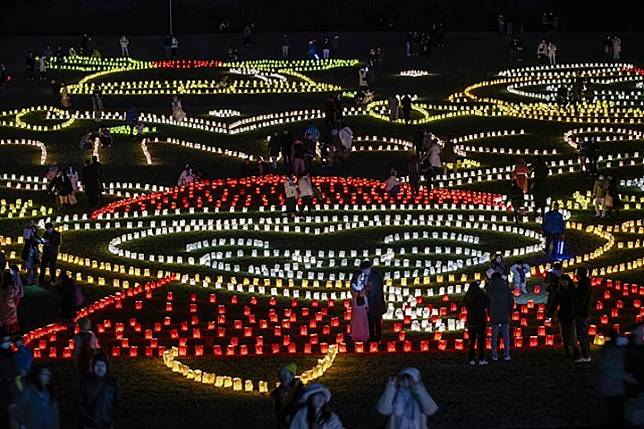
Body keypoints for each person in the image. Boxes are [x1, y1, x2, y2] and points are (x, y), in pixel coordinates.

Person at [77, 353, 121, 429]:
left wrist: (113, 421)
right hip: (89, 426)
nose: (100, 368)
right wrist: (86, 422)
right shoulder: (86, 382)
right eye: (97, 365)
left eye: (102, 365)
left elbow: (117, 403)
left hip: (107, 425)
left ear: (107, 367)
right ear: (93, 367)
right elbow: (80, 404)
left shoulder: (112, 383)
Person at [12, 363, 59, 429]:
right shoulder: (29, 392)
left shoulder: (49, 392)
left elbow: (54, 413)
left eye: (49, 374)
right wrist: (25, 423)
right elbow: (18, 410)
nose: (48, 376)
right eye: (45, 374)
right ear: (38, 375)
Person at [599, 329, 627, 428]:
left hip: (613, 388)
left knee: (614, 412)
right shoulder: (612, 351)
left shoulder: (608, 349)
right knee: (615, 413)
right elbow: (608, 368)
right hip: (613, 388)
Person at [547, 274, 578, 359]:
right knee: (564, 334)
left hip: (571, 315)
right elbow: (554, 304)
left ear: (569, 282)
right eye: (562, 281)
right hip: (562, 315)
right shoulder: (559, 292)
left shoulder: (573, 291)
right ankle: (567, 351)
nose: (563, 283)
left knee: (572, 333)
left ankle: (575, 350)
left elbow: (577, 303)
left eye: (565, 281)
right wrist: (549, 314)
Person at [487, 272, 513, 361]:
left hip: (494, 313)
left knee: (494, 335)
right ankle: (506, 354)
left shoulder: (490, 288)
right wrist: (510, 313)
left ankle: (494, 355)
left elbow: (487, 302)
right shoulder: (505, 287)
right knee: (505, 335)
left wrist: (489, 312)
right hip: (505, 313)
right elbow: (511, 301)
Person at [464, 281, 490, 365]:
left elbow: (466, 305)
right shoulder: (482, 295)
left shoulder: (468, 297)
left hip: (471, 321)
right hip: (481, 320)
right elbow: (488, 304)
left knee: (471, 341)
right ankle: (481, 359)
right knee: (481, 341)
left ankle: (471, 359)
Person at [271, 363, 304, 429]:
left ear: (292, 375)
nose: (283, 377)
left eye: (285, 374)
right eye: (281, 375)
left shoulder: (300, 391)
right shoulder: (278, 392)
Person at [362, 260, 385, 342]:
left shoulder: (375, 277)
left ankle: (378, 338)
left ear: (370, 268)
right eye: (363, 270)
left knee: (377, 322)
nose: (364, 271)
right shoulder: (366, 276)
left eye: (366, 269)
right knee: (370, 322)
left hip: (376, 303)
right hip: (369, 302)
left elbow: (376, 291)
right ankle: (372, 337)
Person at [0, 327, 19, 429]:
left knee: (13, 411)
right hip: (2, 388)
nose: (8, 343)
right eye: (5, 341)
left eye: (9, 340)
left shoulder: (11, 353)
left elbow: (15, 369)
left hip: (11, 385)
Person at [574, 267, 592, 363]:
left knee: (581, 335)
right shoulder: (586, 284)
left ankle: (585, 356)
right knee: (584, 334)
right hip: (585, 312)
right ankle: (586, 355)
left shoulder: (583, 285)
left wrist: (577, 310)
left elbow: (581, 300)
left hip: (581, 313)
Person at [349, 269, 369, 343]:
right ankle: (356, 334)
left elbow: (364, 294)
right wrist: (360, 293)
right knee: (357, 319)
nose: (361, 277)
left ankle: (363, 334)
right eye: (360, 275)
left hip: (362, 304)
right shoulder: (353, 285)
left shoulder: (362, 284)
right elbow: (355, 294)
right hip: (356, 304)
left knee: (363, 319)